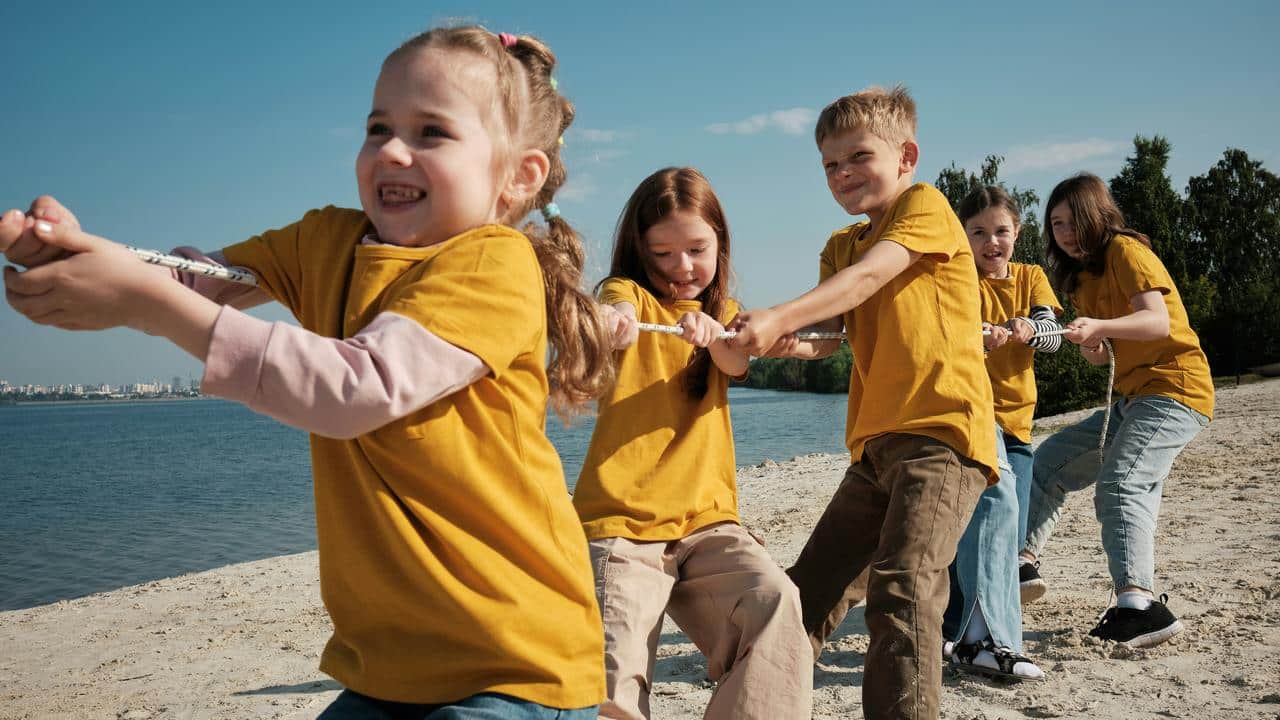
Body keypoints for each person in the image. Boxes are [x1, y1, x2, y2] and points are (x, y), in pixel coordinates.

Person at [2, 26, 613, 718]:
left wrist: (147, 304)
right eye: (377, 126)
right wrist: (83, 255)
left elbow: (355, 389)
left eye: (432, 131)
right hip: (388, 669)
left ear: (517, 177)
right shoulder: (328, 240)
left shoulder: (492, 263)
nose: (390, 148)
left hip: (513, 662)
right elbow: (202, 280)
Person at [731, 85, 996, 720]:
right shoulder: (839, 245)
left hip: (942, 439)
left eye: (858, 157)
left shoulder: (926, 207)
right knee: (804, 595)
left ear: (906, 154)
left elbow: (873, 274)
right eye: (830, 164)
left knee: (902, 592)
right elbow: (829, 337)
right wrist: (775, 339)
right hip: (874, 450)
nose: (843, 173)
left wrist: (783, 312)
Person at [573, 166, 811, 720]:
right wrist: (615, 321)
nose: (682, 268)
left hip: (708, 526)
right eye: (663, 254)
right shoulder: (625, 293)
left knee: (776, 605)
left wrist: (706, 327)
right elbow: (614, 306)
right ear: (640, 251)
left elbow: (735, 358)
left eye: (697, 249)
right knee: (615, 678)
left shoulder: (727, 315)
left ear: (720, 243)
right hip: (622, 528)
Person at [1020, 173, 1213, 648]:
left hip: (1175, 390)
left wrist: (1102, 324)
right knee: (1048, 462)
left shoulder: (1128, 251)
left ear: (1095, 215)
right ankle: (1020, 565)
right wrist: (1091, 343)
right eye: (1055, 224)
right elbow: (1105, 352)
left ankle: (1139, 606)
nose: (1063, 233)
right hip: (1131, 397)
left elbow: (1156, 320)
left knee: (1123, 483)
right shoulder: (1081, 278)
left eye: (1071, 221)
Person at [941, 185, 1062, 681]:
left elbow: (1053, 336)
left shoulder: (1031, 278)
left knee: (1002, 532)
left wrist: (1029, 329)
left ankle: (966, 628)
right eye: (979, 232)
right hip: (972, 416)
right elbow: (945, 336)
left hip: (1018, 421)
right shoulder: (960, 280)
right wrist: (980, 338)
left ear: (1018, 232)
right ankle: (971, 632)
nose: (992, 242)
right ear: (963, 236)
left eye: (1001, 232)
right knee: (982, 516)